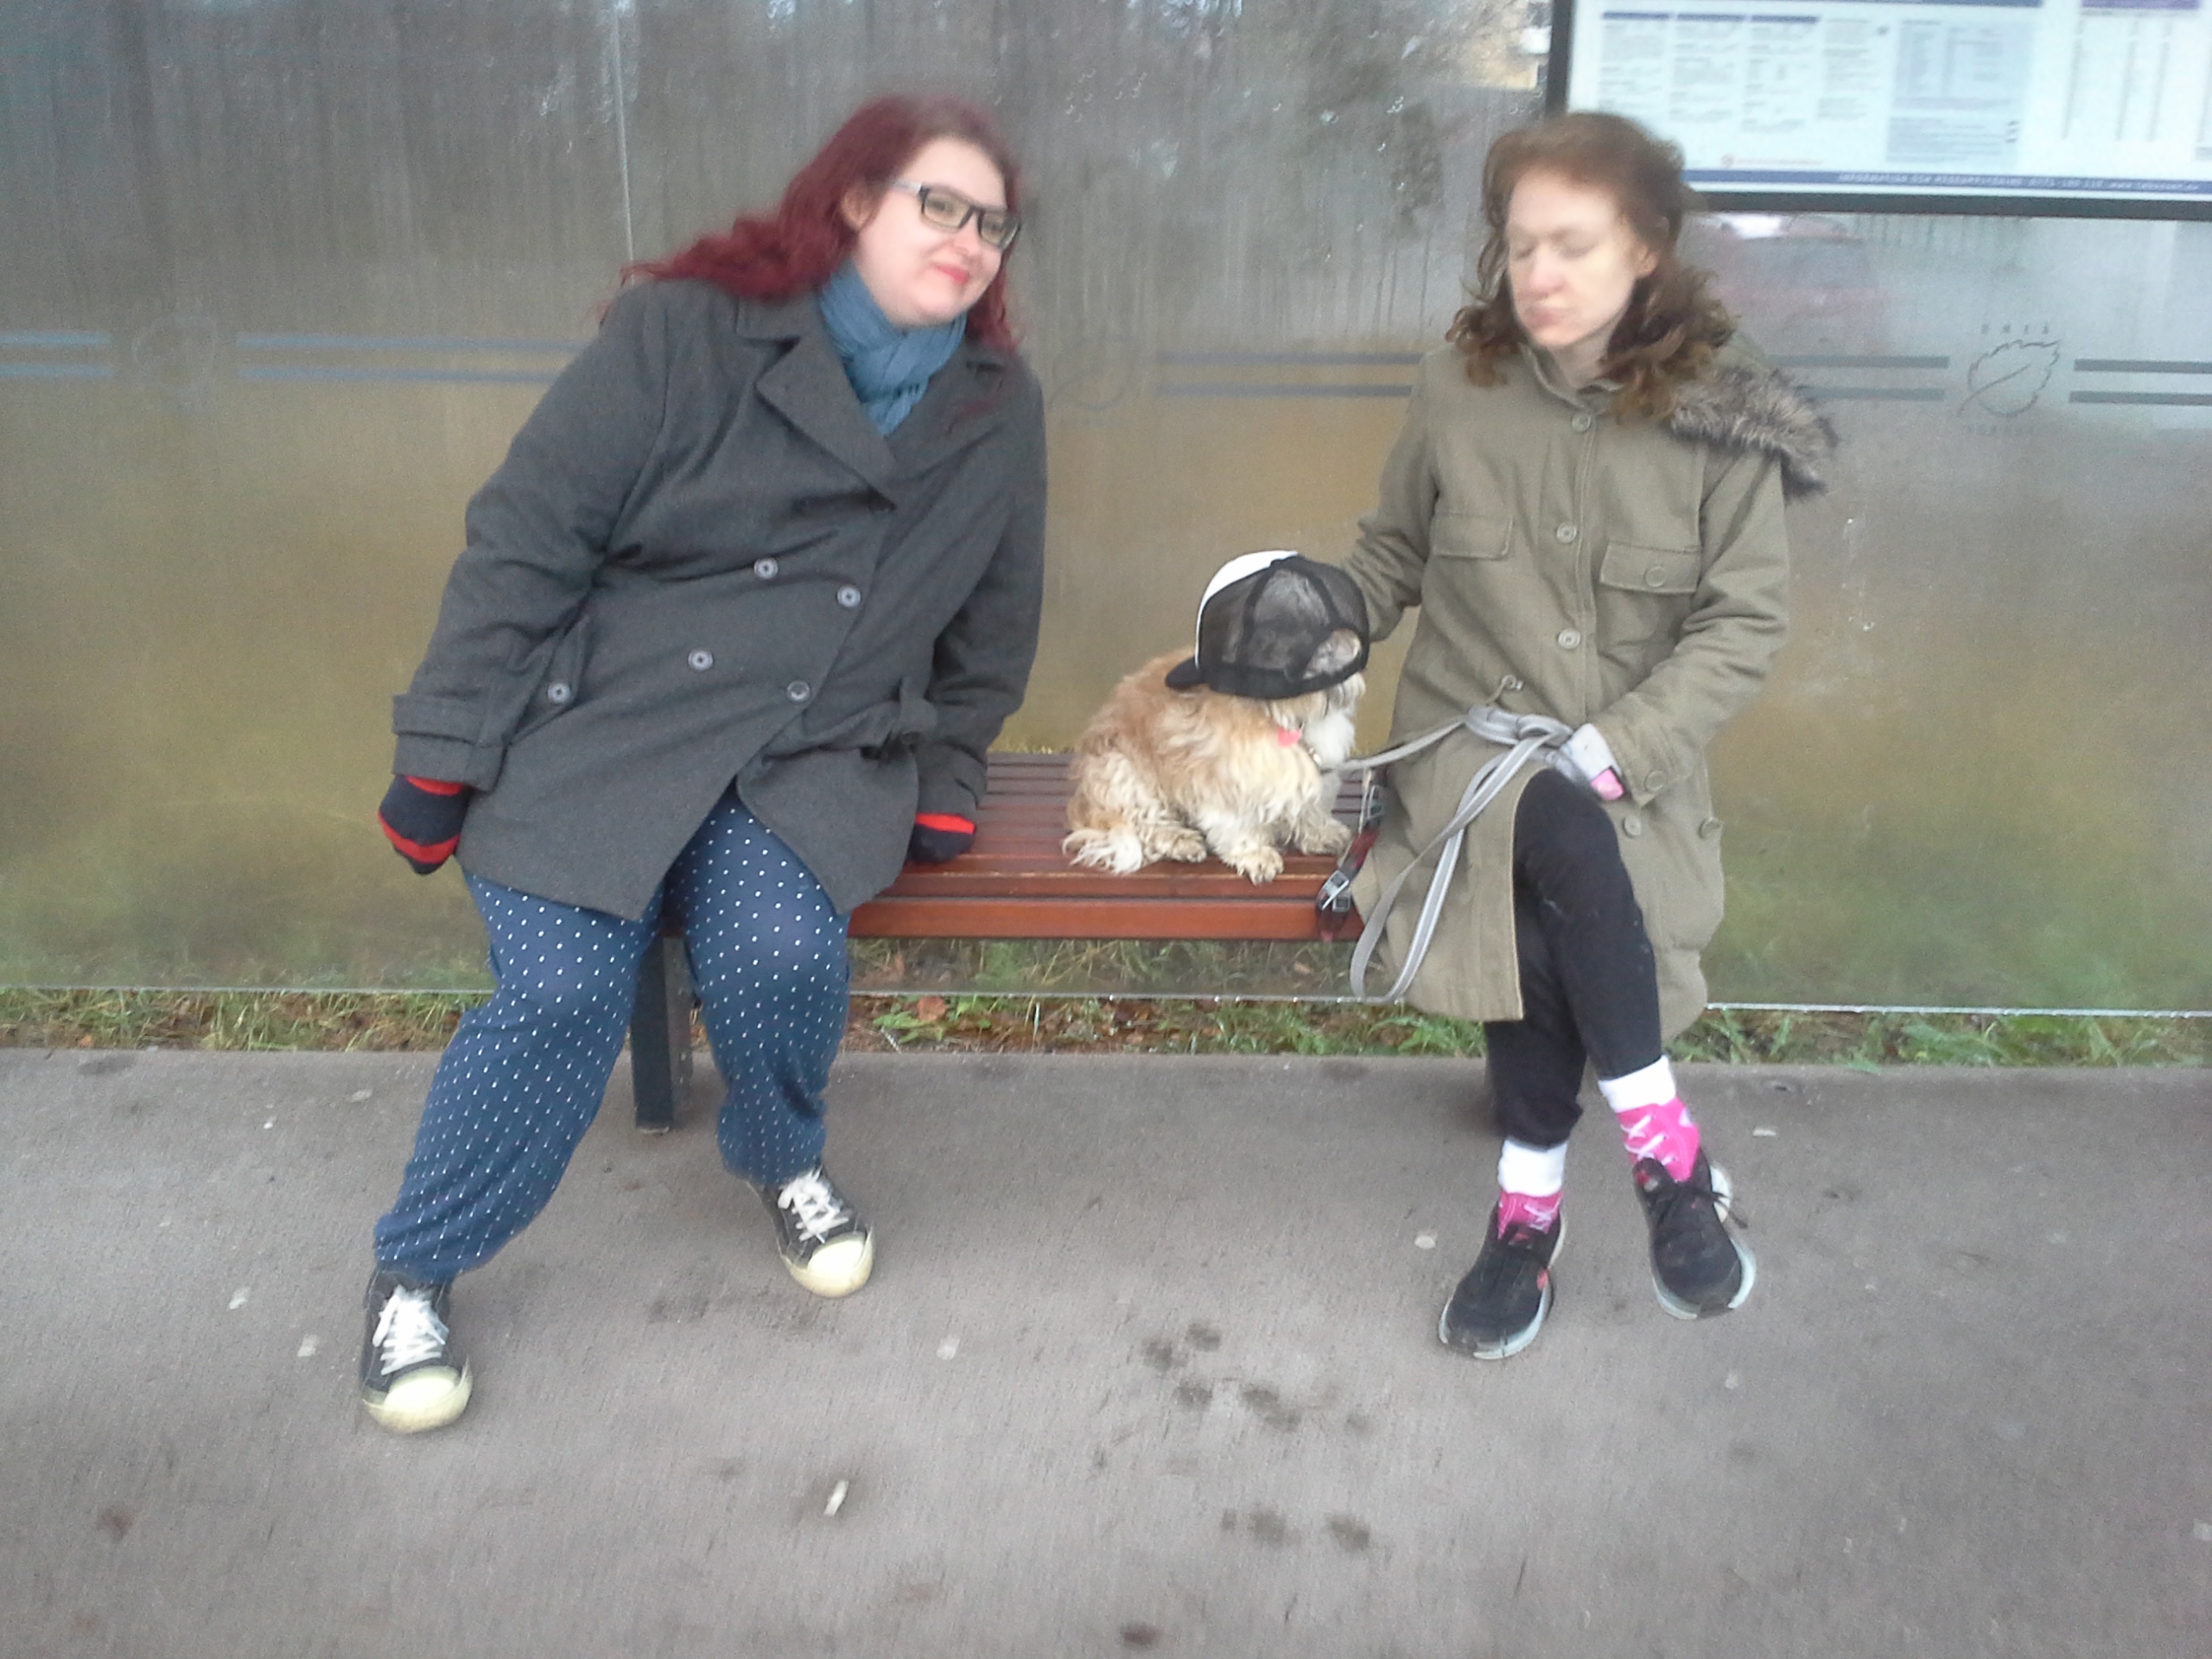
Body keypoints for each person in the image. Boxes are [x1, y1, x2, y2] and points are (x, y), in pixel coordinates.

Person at [360, 96, 1046, 1432]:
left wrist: (953, 771)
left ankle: (784, 1158)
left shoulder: (994, 404)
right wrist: (443, 750)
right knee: (559, 993)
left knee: (780, 953)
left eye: (996, 224)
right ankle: (418, 1267)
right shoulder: (685, 331)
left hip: (812, 750)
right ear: (855, 200)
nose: (971, 240)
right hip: (610, 730)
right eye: (940, 204)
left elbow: (994, 619)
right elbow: (529, 539)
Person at [1337, 111, 1833, 1360]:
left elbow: (1743, 622)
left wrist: (1620, 746)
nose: (1538, 275)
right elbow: (1391, 554)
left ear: (1648, 249)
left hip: (1632, 773)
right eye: (1521, 246)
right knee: (1532, 817)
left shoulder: (1729, 403)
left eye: (1574, 245)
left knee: (1545, 887)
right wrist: (1307, 622)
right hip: (1463, 750)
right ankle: (1665, 1152)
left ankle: (1527, 1216)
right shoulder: (1457, 382)